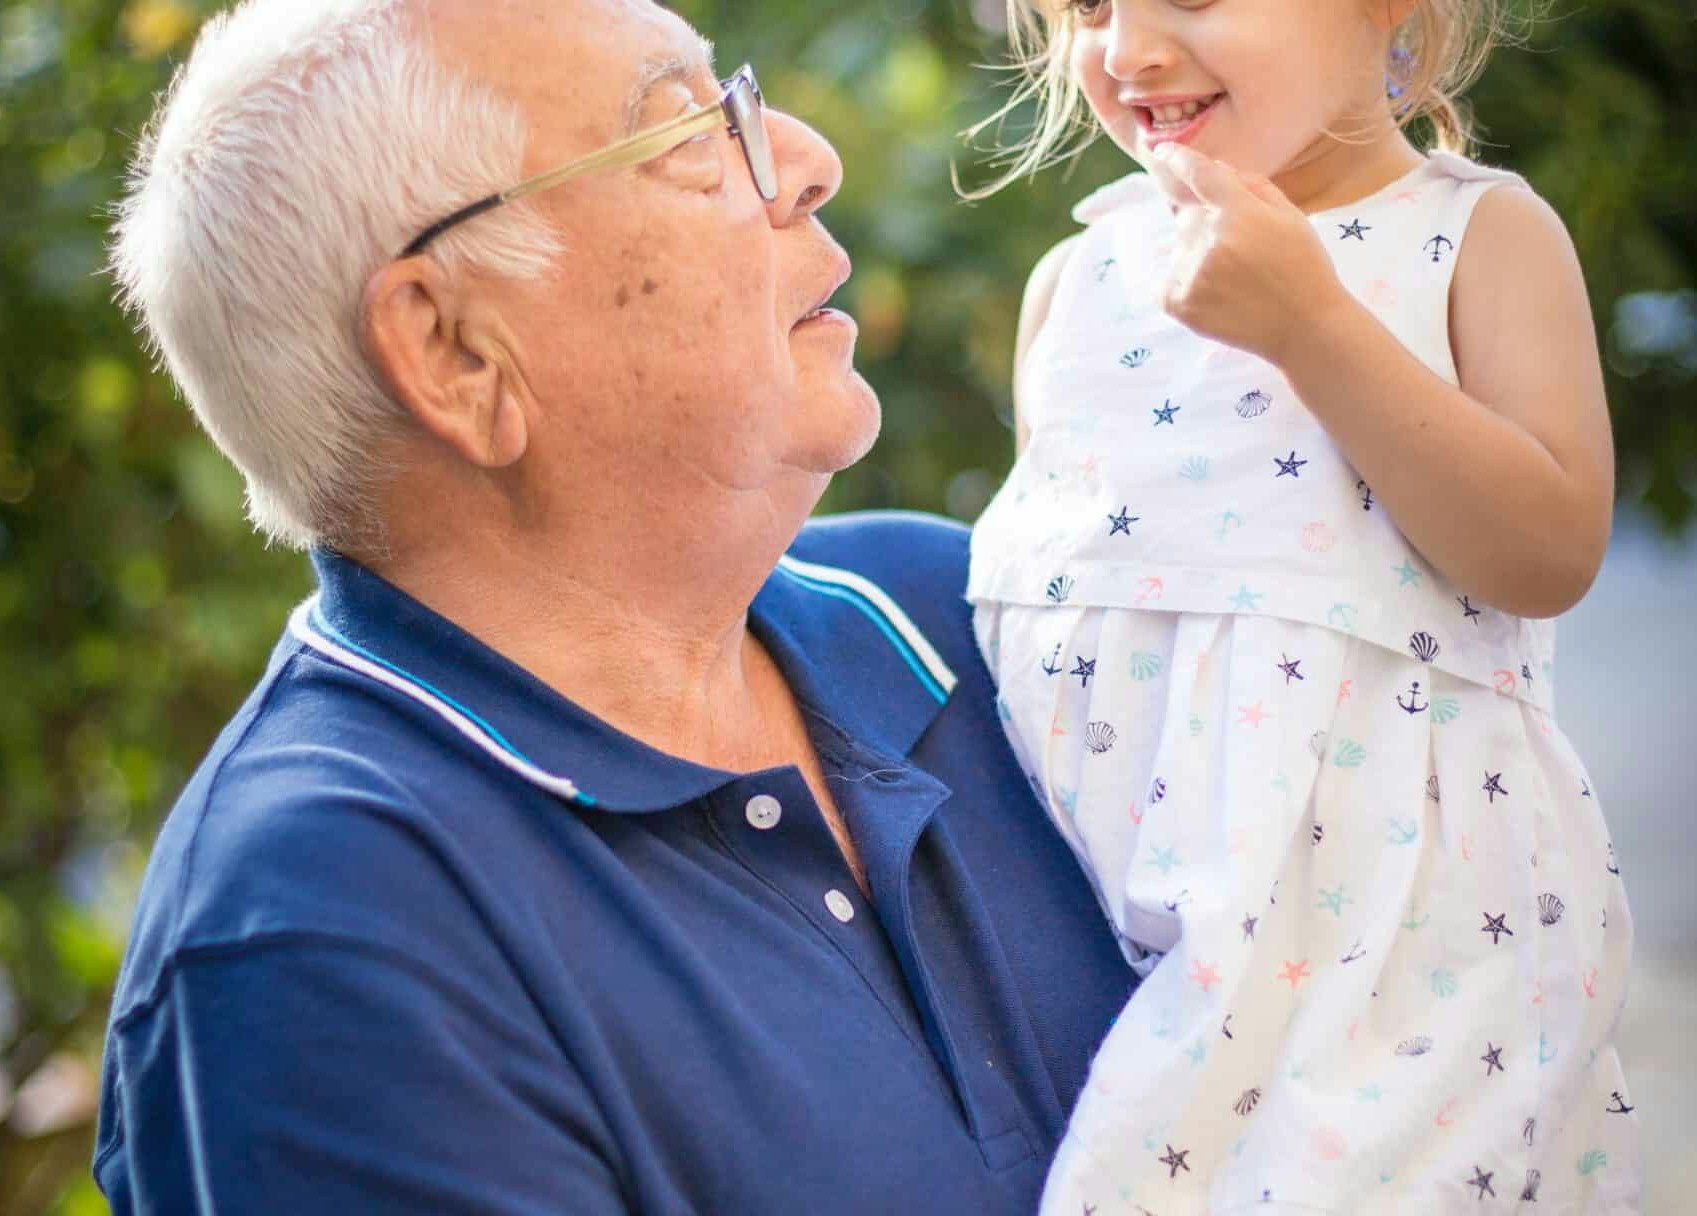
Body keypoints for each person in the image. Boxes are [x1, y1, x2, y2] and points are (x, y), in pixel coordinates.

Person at [90, 0, 1134, 1211]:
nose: (804, 160)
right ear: (452, 352)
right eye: (691, 131)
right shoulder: (321, 929)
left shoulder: (966, 609)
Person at [963, 0, 1640, 1212]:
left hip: (1406, 972)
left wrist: (1315, 327)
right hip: (1126, 970)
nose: (1126, 54)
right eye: (1089, 9)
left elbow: (1545, 552)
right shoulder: (1076, 284)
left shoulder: (1474, 235)